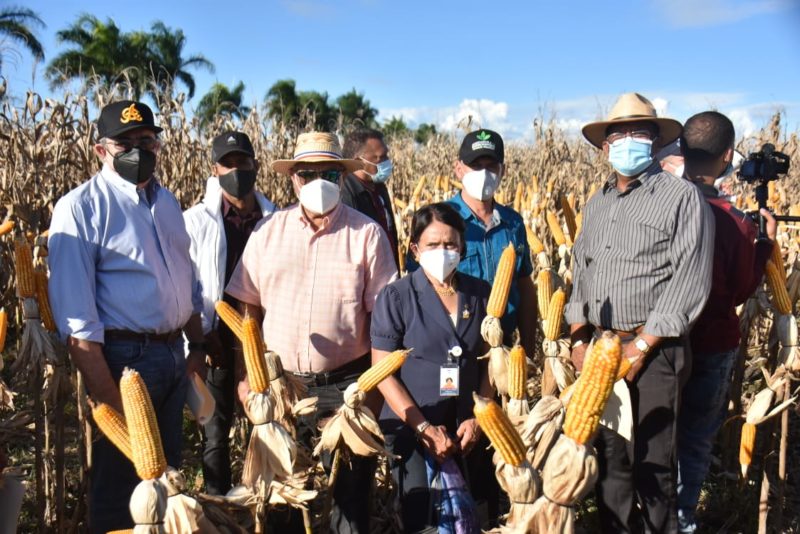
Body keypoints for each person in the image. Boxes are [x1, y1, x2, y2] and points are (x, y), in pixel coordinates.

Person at [225, 131, 398, 533]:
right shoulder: (268, 233)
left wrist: (371, 394)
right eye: (308, 173)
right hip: (282, 387)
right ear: (293, 179)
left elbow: (384, 324)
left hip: (347, 386)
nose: (318, 182)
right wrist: (246, 376)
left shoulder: (368, 235)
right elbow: (246, 307)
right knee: (284, 497)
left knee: (350, 498)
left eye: (329, 174)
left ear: (343, 177)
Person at [47, 100, 206, 533]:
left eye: (147, 140)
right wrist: (116, 407)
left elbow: (187, 281)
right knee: (123, 492)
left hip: (174, 355)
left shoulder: (168, 202)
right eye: (125, 143)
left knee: (165, 485)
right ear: (101, 150)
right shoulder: (80, 209)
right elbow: (78, 329)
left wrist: (197, 348)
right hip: (124, 365)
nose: (139, 150)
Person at [566, 92, 715, 533]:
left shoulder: (681, 198)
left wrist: (643, 345)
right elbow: (581, 274)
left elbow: (689, 280)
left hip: (656, 353)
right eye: (619, 134)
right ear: (605, 146)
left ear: (654, 142)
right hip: (602, 349)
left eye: (639, 133)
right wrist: (578, 338)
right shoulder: (596, 205)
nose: (628, 141)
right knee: (611, 457)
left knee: (654, 463)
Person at [676, 111, 776, 533]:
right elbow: (738, 292)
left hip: (659, 346)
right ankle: (680, 521)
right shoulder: (735, 221)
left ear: (680, 152)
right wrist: (763, 244)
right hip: (714, 345)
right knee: (696, 440)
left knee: (656, 437)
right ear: (729, 156)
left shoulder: (660, 207)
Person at [371, 202, 492, 532]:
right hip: (413, 427)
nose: (443, 252)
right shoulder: (396, 297)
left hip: (466, 429)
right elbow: (382, 371)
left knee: (472, 517)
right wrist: (423, 428)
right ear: (414, 249)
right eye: (433, 245)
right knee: (421, 518)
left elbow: (492, 364)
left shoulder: (481, 295)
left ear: (463, 247)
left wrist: (479, 417)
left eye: (450, 244)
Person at [183, 130, 275, 495]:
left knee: (267, 427)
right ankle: (219, 507)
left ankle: (265, 503)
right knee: (215, 433)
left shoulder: (276, 220)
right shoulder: (195, 221)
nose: (237, 170)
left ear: (255, 166)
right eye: (229, 164)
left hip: (263, 340)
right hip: (215, 338)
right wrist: (200, 338)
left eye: (244, 163)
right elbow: (187, 281)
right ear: (214, 169)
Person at [409, 129, 536, 356]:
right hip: (453, 344)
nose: (484, 173)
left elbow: (524, 285)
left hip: (503, 345)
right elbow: (416, 286)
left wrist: (528, 346)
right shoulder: (439, 220)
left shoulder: (513, 223)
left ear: (502, 171)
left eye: (491, 166)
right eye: (476, 166)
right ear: (459, 169)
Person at [341, 128, 400, 268]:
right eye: (381, 157)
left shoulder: (379, 188)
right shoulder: (345, 193)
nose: (387, 162)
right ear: (358, 161)